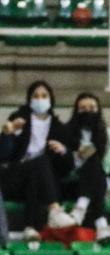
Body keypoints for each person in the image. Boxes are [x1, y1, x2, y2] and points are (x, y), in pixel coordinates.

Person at [0, 81, 77, 239]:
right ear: (29, 99)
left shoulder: (59, 128)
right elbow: (3, 155)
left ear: (50, 99)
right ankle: (55, 210)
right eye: (36, 96)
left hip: (41, 182)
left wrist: (63, 151)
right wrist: (8, 133)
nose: (40, 99)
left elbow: (67, 167)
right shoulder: (18, 119)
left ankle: (30, 228)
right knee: (40, 162)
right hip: (13, 176)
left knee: (37, 171)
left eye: (44, 96)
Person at [61, 92, 110, 242]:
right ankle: (101, 223)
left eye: (92, 108)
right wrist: (78, 157)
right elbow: (65, 163)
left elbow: (106, 165)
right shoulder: (66, 131)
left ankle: (81, 208)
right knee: (92, 161)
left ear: (99, 110)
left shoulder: (108, 134)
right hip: (73, 179)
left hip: (96, 179)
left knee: (94, 162)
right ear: (76, 111)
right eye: (83, 108)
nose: (88, 112)